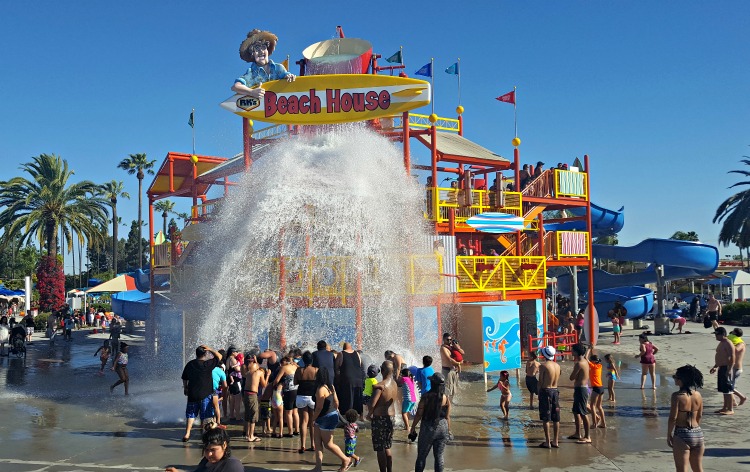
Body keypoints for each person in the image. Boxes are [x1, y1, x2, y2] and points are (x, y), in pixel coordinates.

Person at [231, 29, 295, 99]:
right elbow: (236, 87)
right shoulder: (251, 74)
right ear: (252, 54)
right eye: (257, 49)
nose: (261, 51)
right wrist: (251, 92)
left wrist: (289, 76)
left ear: (267, 50)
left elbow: (286, 76)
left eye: (263, 47)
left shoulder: (278, 68)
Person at [310, 368, 351, 472]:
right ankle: (318, 467)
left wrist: (312, 419)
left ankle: (346, 459)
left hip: (325, 417)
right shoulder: (331, 386)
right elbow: (336, 402)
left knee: (328, 444)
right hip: (328, 415)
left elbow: (319, 407)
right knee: (317, 442)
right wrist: (335, 410)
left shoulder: (320, 389)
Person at [410, 372, 451, 472]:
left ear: (432, 383)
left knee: (421, 456)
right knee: (439, 457)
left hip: (428, 428)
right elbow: (447, 416)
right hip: (443, 428)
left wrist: (413, 427)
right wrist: (449, 431)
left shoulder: (426, 397)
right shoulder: (445, 397)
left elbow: (419, 414)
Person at [181, 345, 223, 442]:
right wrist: (210, 349)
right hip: (206, 394)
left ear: (196, 354)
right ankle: (206, 434)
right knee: (206, 415)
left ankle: (187, 433)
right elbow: (219, 357)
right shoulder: (207, 364)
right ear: (205, 354)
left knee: (191, 414)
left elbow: (184, 377)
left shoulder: (190, 364)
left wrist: (185, 387)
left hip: (192, 394)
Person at [667, 365, 705, 472]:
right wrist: (695, 430)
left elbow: (673, 418)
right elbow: (700, 415)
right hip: (698, 433)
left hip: (682, 433)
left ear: (682, 380)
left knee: (682, 469)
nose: (674, 378)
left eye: (676, 377)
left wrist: (669, 435)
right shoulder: (698, 395)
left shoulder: (677, 396)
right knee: (698, 468)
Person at [165, 424, 243, 472]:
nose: (209, 454)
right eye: (206, 449)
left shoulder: (233, 465)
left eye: (213, 450)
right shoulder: (205, 461)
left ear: (224, 445)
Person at [367, 361, 398, 472]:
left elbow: (372, 404)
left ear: (383, 371)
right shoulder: (394, 384)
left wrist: (368, 414)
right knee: (387, 446)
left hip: (380, 418)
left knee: (380, 448)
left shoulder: (380, 386)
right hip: (391, 417)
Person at [241, 354, 270, 443]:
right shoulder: (259, 373)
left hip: (245, 393)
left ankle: (247, 434)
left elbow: (255, 366)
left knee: (248, 414)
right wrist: (268, 375)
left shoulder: (248, 372)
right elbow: (264, 384)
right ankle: (251, 436)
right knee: (253, 415)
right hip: (253, 395)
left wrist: (255, 361)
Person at [293, 351, 318, 452]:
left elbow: (295, 382)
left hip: (301, 396)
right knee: (312, 422)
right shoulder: (316, 370)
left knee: (303, 421)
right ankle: (313, 444)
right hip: (312, 397)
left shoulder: (299, 370)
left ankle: (302, 445)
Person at [537, 346, 561, 448]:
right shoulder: (557, 366)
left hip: (546, 391)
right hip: (555, 391)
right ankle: (555, 441)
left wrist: (538, 392)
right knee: (556, 418)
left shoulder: (543, 366)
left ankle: (547, 441)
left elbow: (541, 381)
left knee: (546, 418)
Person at [710, 327, 735, 415]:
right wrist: (715, 366)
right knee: (724, 389)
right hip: (721, 367)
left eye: (717, 334)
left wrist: (730, 369)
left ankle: (731, 409)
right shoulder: (721, 343)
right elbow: (720, 356)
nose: (716, 336)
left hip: (726, 367)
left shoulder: (728, 343)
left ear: (722, 334)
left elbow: (732, 356)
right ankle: (725, 407)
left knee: (728, 389)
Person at [569, 343, 591, 444]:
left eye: (572, 350)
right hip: (582, 388)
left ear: (577, 352)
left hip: (581, 389)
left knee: (583, 412)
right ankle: (578, 433)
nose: (571, 351)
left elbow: (572, 377)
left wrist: (574, 371)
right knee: (576, 411)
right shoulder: (585, 361)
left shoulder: (579, 364)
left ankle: (587, 436)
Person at [273, 355, 299, 437]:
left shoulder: (284, 368)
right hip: (296, 390)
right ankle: (297, 430)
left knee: (288, 412)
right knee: (295, 412)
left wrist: (274, 386)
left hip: (289, 391)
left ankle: (290, 432)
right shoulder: (295, 366)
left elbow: (277, 380)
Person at [336, 342, 364, 417]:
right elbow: (360, 365)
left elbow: (336, 366)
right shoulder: (357, 354)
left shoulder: (341, 354)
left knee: (348, 397)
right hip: (359, 379)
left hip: (348, 379)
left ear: (343, 348)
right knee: (358, 397)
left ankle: (347, 415)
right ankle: (360, 415)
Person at [440, 333, 462, 403]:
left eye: (450, 339)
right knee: (447, 389)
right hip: (447, 371)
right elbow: (449, 359)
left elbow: (461, 352)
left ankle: (450, 403)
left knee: (453, 389)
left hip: (453, 370)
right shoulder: (443, 348)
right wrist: (458, 364)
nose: (449, 341)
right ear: (443, 340)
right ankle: (446, 404)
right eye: (447, 340)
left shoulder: (452, 347)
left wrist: (457, 346)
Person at [728, 328, 747, 407]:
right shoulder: (735, 342)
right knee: (729, 386)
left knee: (728, 386)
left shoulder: (741, 343)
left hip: (736, 368)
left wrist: (729, 343)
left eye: (733, 332)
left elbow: (735, 350)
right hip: (731, 367)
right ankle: (733, 402)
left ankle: (742, 397)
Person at [224, 347, 243, 422]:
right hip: (236, 381)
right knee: (237, 399)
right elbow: (238, 369)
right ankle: (238, 416)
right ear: (233, 352)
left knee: (232, 399)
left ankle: (232, 415)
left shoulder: (228, 359)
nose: (237, 353)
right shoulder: (233, 359)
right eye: (236, 352)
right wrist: (241, 366)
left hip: (230, 381)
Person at [588, 353, 606, 428]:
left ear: (593, 361)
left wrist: (589, 349)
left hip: (596, 388)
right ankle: (603, 423)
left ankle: (594, 423)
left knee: (592, 406)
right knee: (599, 406)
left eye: (591, 361)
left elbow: (586, 358)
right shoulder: (600, 366)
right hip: (601, 387)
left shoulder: (593, 366)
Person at [211, 359, 228, 429]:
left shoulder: (209, 368)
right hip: (213, 390)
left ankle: (205, 423)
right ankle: (218, 423)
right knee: (216, 407)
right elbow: (225, 386)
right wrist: (224, 395)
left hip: (204, 389)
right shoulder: (221, 372)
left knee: (207, 407)